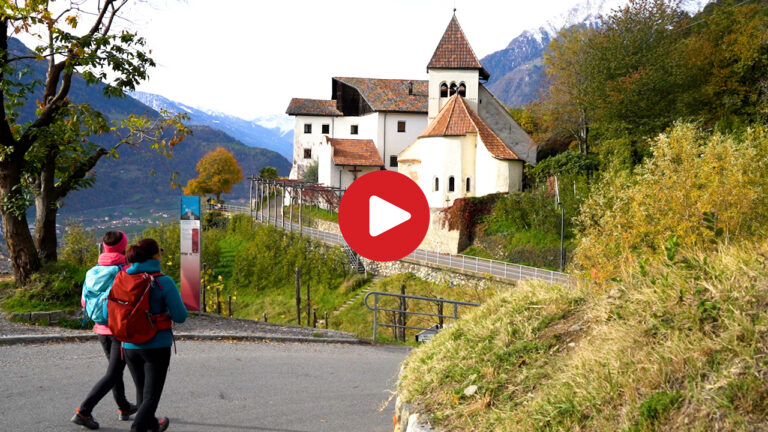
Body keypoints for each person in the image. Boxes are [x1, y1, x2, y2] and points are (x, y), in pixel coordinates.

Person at [72, 231, 137, 430]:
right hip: (119, 328)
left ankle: (124, 407)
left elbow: (84, 301)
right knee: (113, 372)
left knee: (114, 370)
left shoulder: (94, 270)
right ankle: (84, 411)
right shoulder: (126, 270)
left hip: (101, 328)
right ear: (124, 247)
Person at [123, 238, 187, 432]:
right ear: (156, 255)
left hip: (129, 345)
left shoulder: (123, 278)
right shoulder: (162, 281)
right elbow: (180, 316)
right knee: (151, 397)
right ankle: (139, 428)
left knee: (142, 391)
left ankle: (151, 425)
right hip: (156, 346)